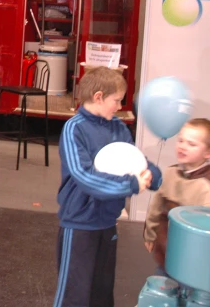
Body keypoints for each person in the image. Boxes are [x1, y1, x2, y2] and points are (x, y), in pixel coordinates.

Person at [52, 67, 162, 307]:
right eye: (117, 100)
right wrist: (131, 184)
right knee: (74, 294)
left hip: (107, 222)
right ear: (99, 96)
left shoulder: (118, 128)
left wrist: (151, 173)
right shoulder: (74, 128)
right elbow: (84, 177)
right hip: (79, 223)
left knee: (101, 294)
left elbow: (133, 160)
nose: (120, 106)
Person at [143, 118, 210, 276]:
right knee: (163, 290)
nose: (183, 146)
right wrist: (150, 234)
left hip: (196, 262)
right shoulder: (170, 173)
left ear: (209, 152)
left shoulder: (209, 187)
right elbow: (156, 207)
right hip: (167, 254)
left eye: (192, 144)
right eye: (181, 140)